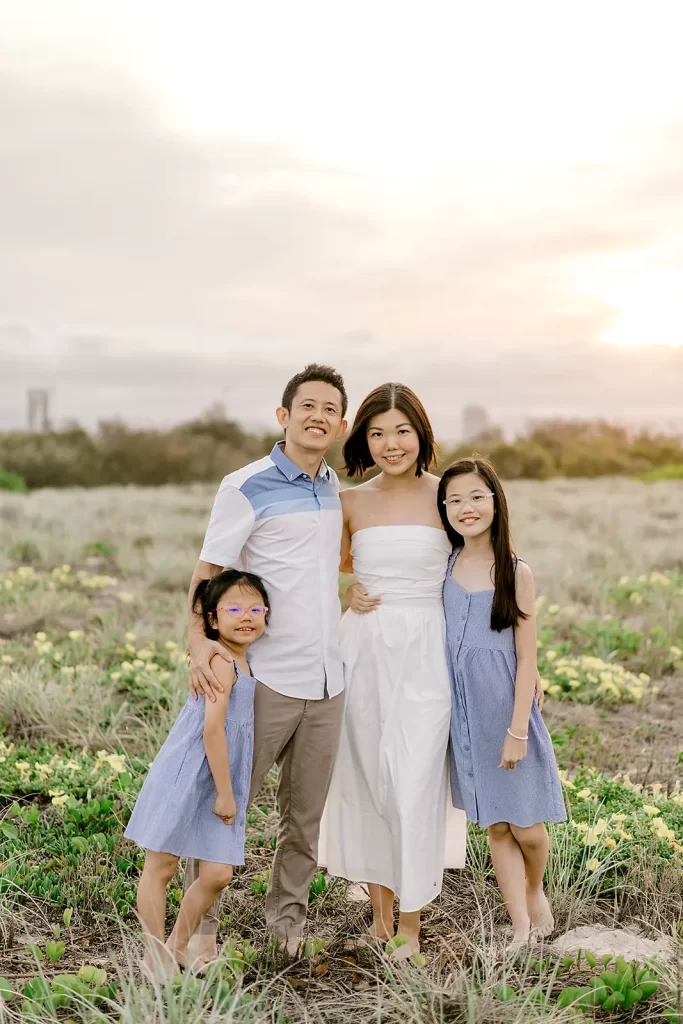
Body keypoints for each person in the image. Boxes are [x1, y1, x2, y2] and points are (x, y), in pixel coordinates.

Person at [185, 364, 348, 961]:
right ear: (283, 416)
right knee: (225, 809)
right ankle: (201, 931)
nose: (317, 416)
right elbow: (209, 574)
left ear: (342, 423)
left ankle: (287, 930)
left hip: (329, 682)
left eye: (329, 409)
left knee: (304, 820)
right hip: (263, 679)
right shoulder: (244, 484)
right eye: (307, 405)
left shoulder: (333, 488)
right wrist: (201, 645)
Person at [320, 383, 467, 961]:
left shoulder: (447, 497)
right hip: (363, 649)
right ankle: (381, 917)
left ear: (421, 433)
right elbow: (324, 571)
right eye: (377, 433)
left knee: (413, 776)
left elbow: (481, 560)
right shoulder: (349, 502)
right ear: (363, 439)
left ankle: (411, 922)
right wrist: (349, 592)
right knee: (369, 777)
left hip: (427, 649)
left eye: (401, 430)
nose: (390, 443)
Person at [438, 456, 566, 950]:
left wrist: (517, 729)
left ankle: (535, 889)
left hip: (506, 710)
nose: (466, 508)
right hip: (463, 714)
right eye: (454, 500)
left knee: (527, 826)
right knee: (495, 824)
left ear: (496, 501)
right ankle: (518, 927)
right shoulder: (445, 564)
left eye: (476, 497)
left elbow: (526, 656)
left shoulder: (516, 571)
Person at [124, 569, 269, 979]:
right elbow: (212, 729)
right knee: (164, 863)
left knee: (219, 873)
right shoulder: (221, 661)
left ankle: (178, 944)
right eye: (234, 609)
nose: (246, 616)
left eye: (255, 608)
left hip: (219, 771)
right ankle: (156, 953)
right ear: (211, 620)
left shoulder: (244, 658)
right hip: (192, 769)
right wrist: (226, 792)